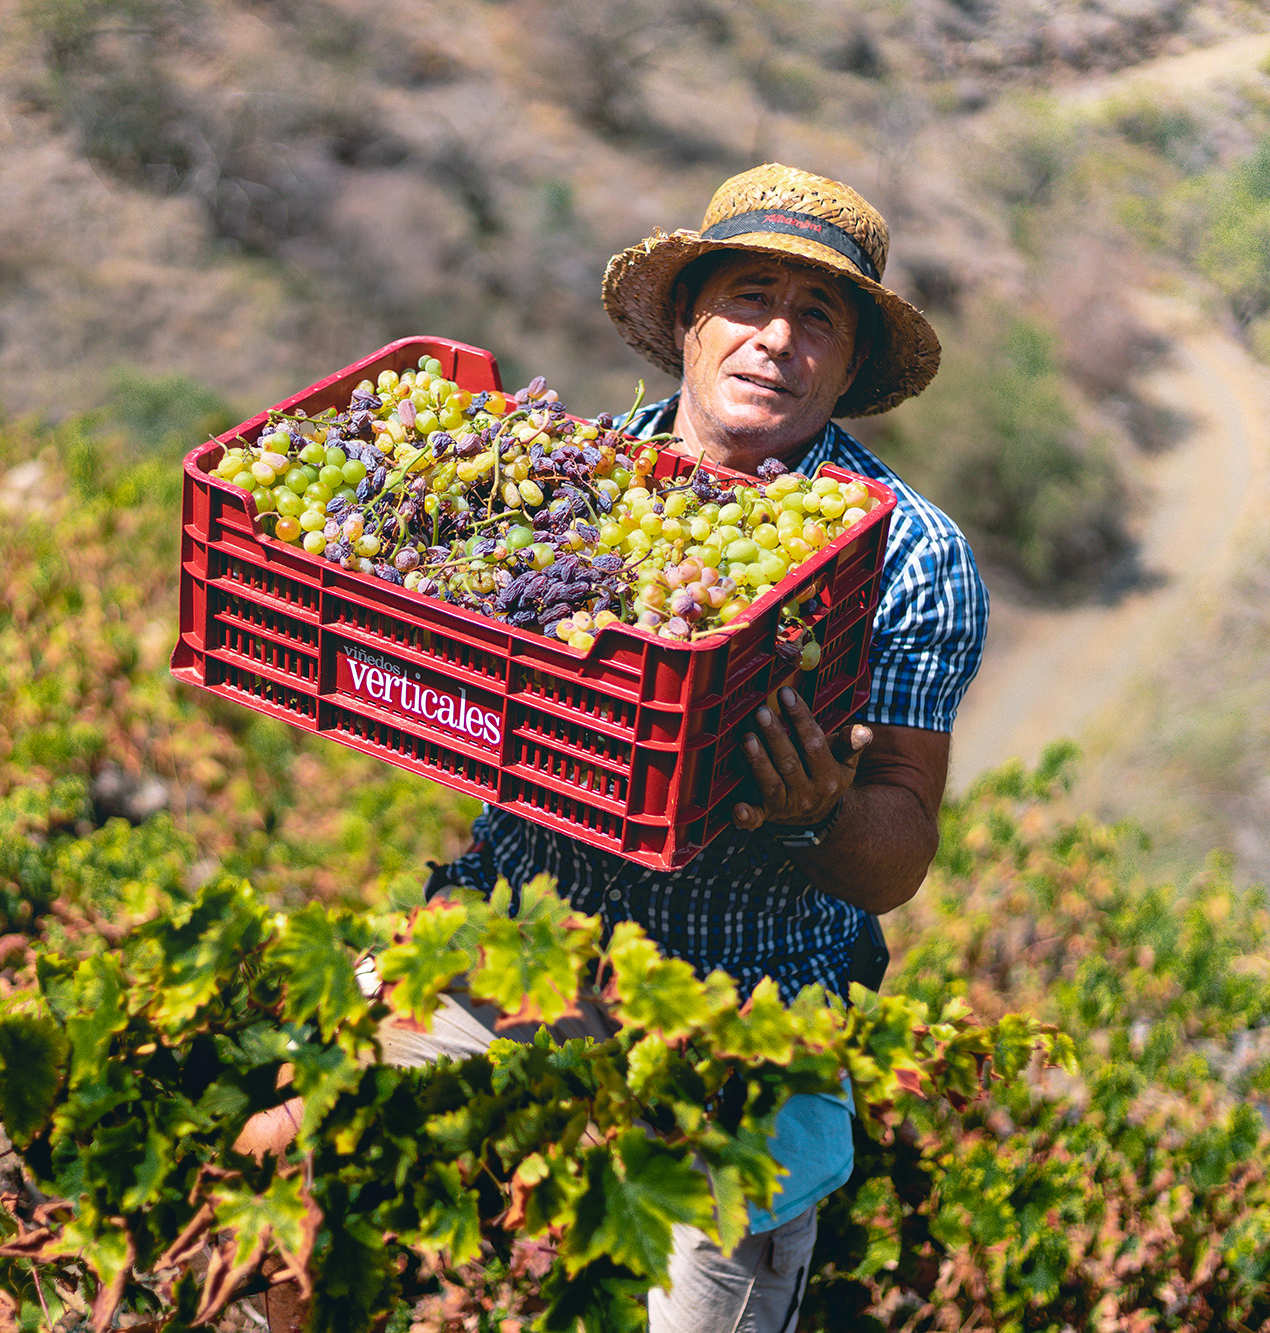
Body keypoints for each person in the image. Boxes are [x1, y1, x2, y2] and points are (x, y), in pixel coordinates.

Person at [254, 163, 987, 1333]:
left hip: (738, 1004)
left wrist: (811, 814)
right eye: (748, 299)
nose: (774, 339)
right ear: (688, 322)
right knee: (287, 1171)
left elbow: (894, 849)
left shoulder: (907, 554)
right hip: (515, 935)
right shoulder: (562, 481)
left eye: (817, 318)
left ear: (848, 368)